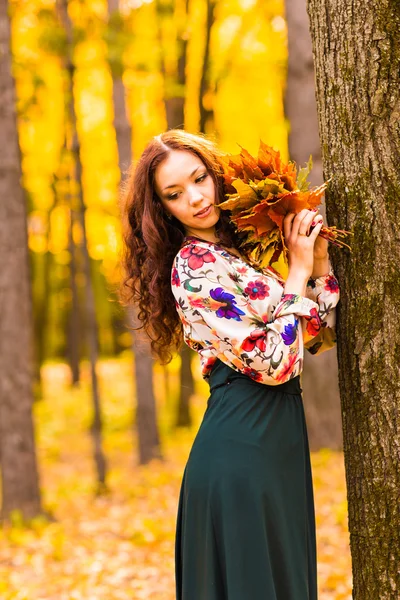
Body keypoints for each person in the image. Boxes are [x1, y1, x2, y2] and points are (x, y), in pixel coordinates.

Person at [122, 129, 340, 600]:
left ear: (214, 174)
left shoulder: (233, 254)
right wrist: (297, 274)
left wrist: (318, 265)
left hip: (275, 446)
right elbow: (275, 361)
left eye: (200, 178)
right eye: (175, 194)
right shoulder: (194, 266)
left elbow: (312, 338)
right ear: (163, 209)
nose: (196, 198)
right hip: (242, 452)